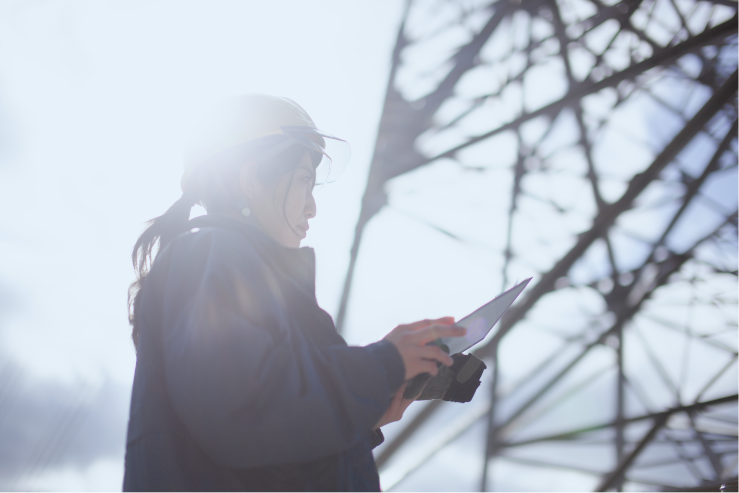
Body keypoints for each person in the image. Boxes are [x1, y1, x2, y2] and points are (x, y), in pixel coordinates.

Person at [123, 94, 465, 493]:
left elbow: (268, 431)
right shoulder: (210, 252)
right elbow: (242, 407)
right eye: (304, 179)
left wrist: (364, 414)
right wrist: (381, 367)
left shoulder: (229, 265)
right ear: (250, 180)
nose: (312, 207)